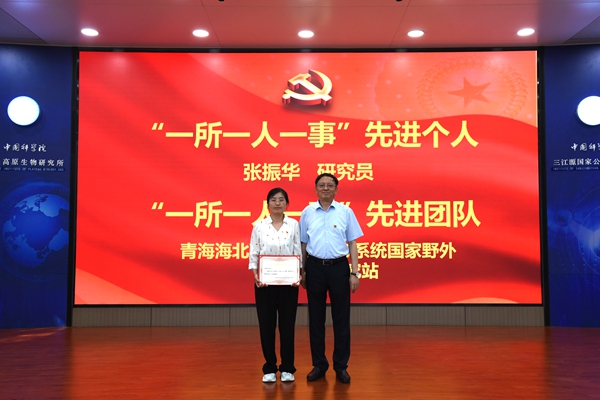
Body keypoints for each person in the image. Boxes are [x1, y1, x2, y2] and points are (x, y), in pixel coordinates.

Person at [300, 173, 363, 384]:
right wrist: (302, 271)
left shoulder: (346, 212)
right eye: (321, 185)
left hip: (339, 268)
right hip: (315, 268)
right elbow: (303, 244)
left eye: (330, 185)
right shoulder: (307, 212)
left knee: (341, 319)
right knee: (316, 319)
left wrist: (354, 273)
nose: (325, 188)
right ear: (315, 189)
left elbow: (352, 243)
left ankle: (341, 366)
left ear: (336, 189)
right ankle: (319, 365)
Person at [249, 187, 302, 383]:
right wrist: (256, 275)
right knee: (267, 326)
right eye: (273, 199)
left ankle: (287, 368)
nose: (277, 203)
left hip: (289, 284)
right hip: (265, 284)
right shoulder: (259, 226)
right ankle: (269, 368)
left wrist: (298, 274)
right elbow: (254, 252)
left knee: (287, 327)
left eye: (281, 199)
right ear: (268, 204)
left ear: (287, 204)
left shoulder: (294, 224)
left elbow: (297, 251)